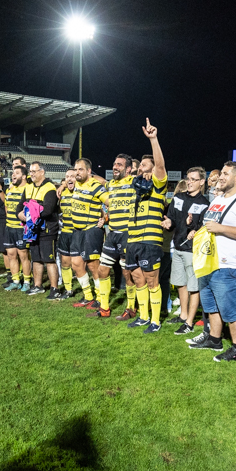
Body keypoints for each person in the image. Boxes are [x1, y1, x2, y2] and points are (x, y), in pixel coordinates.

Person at [186, 162, 236, 359]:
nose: (221, 176)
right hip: (210, 262)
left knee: (232, 308)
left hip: (230, 265)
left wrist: (221, 229)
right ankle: (214, 339)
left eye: (226, 174)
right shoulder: (218, 200)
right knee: (211, 305)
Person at [121, 121, 170, 331]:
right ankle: (142, 316)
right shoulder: (136, 187)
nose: (140, 167)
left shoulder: (158, 186)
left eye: (143, 164)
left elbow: (160, 166)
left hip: (150, 240)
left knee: (152, 280)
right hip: (133, 239)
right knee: (137, 278)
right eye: (139, 164)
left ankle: (156, 321)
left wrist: (153, 140)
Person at [165, 166, 209, 335]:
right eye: (188, 179)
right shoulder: (178, 198)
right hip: (177, 247)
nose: (189, 182)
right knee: (180, 283)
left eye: (193, 179)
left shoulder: (205, 203)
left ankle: (189, 323)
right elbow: (172, 220)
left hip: (193, 251)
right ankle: (183, 315)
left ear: (201, 182)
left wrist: (195, 228)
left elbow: (204, 228)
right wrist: (169, 223)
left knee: (193, 287)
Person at [66, 158, 110, 315]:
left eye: (81, 169)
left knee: (93, 266)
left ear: (89, 171)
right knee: (76, 264)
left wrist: (105, 219)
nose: (77, 172)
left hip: (91, 230)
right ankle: (88, 296)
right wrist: (62, 186)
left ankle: (100, 298)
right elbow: (69, 181)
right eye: (76, 169)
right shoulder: (77, 184)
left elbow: (111, 203)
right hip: (77, 231)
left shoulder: (96, 187)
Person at [101, 154, 137, 318]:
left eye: (119, 165)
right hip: (112, 233)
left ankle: (130, 308)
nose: (115, 167)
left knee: (127, 273)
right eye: (114, 164)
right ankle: (104, 308)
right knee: (103, 271)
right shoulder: (111, 184)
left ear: (128, 169)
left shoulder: (133, 182)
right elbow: (100, 181)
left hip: (127, 234)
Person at [23, 161, 61, 297]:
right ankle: (37, 286)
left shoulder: (50, 187)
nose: (31, 174)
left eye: (34, 171)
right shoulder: (28, 187)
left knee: (49, 259)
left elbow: (48, 210)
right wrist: (20, 214)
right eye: (30, 171)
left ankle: (54, 289)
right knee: (36, 258)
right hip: (33, 230)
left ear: (42, 172)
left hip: (47, 230)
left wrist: (28, 216)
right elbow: (19, 207)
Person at [1, 165, 31, 291]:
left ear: (24, 176)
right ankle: (16, 280)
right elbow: (6, 206)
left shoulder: (28, 189)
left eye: (17, 173)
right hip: (9, 227)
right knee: (11, 254)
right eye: (13, 173)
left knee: (23, 255)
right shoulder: (10, 189)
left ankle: (27, 281)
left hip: (21, 228)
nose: (13, 175)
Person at [57, 168, 78, 296]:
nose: (69, 179)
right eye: (67, 177)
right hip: (65, 232)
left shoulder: (83, 191)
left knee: (78, 265)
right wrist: (63, 185)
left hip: (79, 232)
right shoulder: (61, 193)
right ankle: (68, 289)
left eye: (72, 176)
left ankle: (90, 292)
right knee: (65, 262)